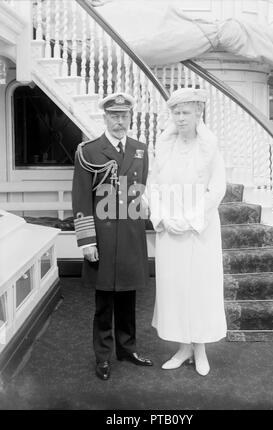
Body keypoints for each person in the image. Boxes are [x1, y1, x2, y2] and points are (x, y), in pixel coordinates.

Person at [72, 92, 153, 381]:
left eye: (124, 116)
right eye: (114, 116)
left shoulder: (140, 149)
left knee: (129, 298)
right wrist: (87, 241)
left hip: (130, 235)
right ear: (104, 117)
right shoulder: (89, 151)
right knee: (104, 301)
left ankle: (127, 349)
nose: (120, 121)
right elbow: (81, 198)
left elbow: (140, 190)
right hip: (102, 239)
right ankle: (103, 356)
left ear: (131, 117)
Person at [147, 87, 227, 376]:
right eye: (176, 112)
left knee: (199, 288)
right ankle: (183, 347)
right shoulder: (164, 147)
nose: (180, 118)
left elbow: (217, 189)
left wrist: (189, 219)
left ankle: (201, 348)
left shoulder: (210, 148)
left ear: (198, 114)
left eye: (186, 113)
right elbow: (152, 186)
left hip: (199, 232)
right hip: (170, 233)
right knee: (175, 288)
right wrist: (162, 217)